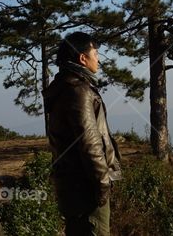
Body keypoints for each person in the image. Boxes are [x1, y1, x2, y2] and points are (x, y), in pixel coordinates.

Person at [43, 32, 122, 236]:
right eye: (95, 54)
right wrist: (103, 185)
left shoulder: (64, 86)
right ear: (82, 58)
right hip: (86, 190)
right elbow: (90, 144)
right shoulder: (79, 91)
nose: (98, 59)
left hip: (73, 188)